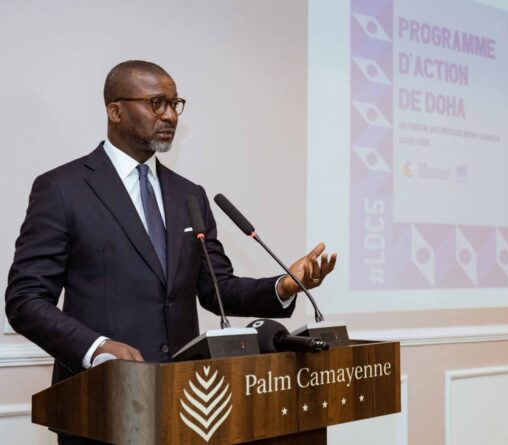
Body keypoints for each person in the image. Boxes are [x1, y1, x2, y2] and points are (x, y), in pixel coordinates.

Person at [4, 60, 336, 445]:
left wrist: (284, 285)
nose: (170, 116)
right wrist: (96, 348)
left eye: (175, 104)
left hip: (186, 402)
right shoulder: (63, 189)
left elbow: (217, 288)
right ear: (115, 110)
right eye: (156, 103)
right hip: (101, 403)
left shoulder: (188, 194)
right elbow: (26, 300)